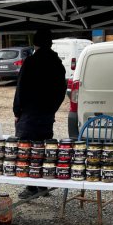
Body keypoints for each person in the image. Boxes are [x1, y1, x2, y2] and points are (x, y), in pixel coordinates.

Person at [13, 28, 67, 199]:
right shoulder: (57, 63)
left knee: (27, 151)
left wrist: (17, 110)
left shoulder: (31, 62)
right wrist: (52, 109)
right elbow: (61, 90)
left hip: (29, 113)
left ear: (35, 43)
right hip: (46, 113)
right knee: (44, 149)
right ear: (50, 43)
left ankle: (31, 187)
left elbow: (20, 88)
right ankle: (43, 185)